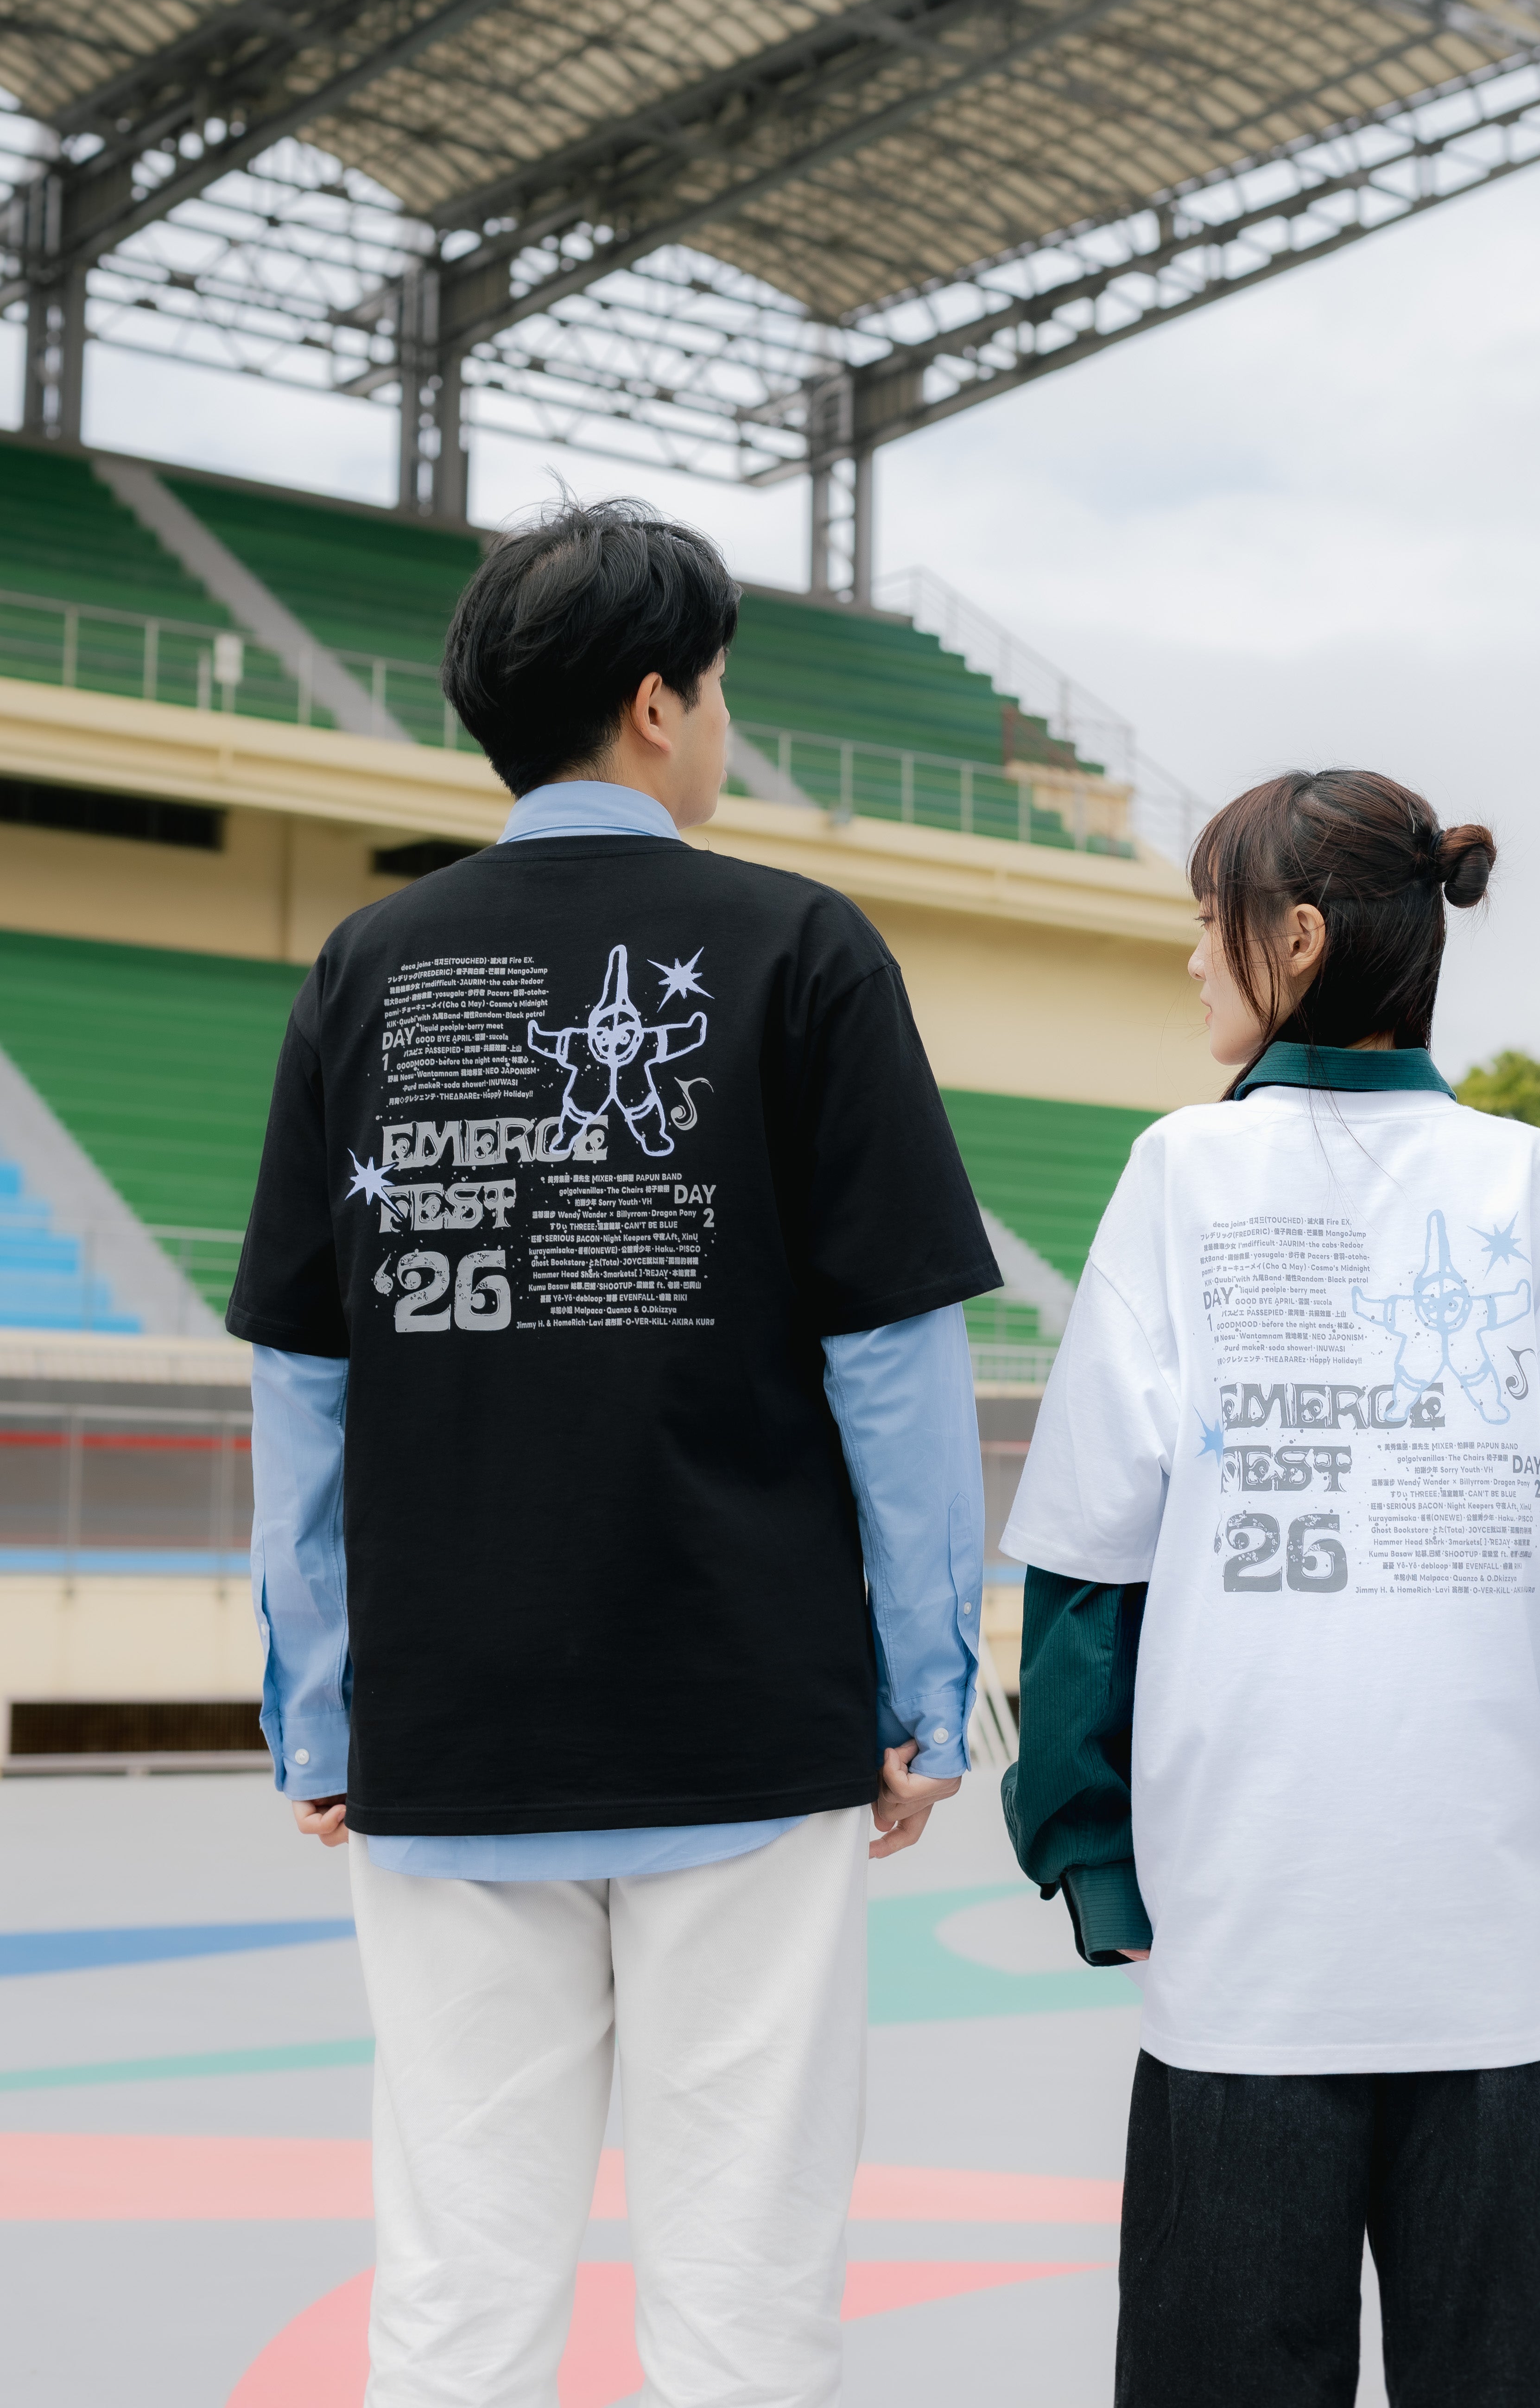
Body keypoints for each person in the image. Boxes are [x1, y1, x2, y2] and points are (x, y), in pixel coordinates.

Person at [227, 498, 1002, 2408]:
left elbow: (304, 1379)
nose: (720, 723)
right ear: (658, 704)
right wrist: (924, 1691)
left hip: (448, 1735)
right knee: (743, 2302)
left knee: (457, 2293)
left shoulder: (366, 968)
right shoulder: (803, 948)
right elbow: (894, 1363)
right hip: (744, 1718)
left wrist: (319, 1710)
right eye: (718, 688)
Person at [1000, 769, 1540, 2408]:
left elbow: (1090, 1563)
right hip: (1494, 1945)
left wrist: (1091, 1850)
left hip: (1244, 1942)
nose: (1192, 960)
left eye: (1207, 923)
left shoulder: (1180, 1173)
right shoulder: (1535, 1180)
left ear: (1295, 940)